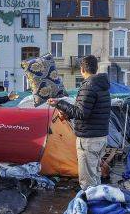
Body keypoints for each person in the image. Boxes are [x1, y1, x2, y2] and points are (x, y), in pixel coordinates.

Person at [47, 55, 111, 190]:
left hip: (89, 139)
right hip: (100, 136)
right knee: (95, 175)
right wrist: (66, 111)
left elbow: (81, 113)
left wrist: (59, 103)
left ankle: (90, 206)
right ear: (96, 68)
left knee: (88, 181)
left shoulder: (88, 86)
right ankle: (97, 202)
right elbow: (88, 111)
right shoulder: (102, 85)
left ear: (82, 69)